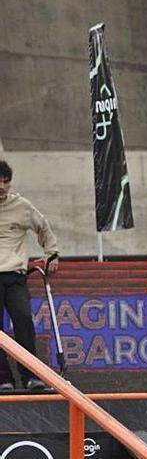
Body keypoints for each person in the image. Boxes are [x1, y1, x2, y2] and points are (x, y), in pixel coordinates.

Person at [0, 159, 59, 391]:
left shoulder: (21, 206)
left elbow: (43, 227)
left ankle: (29, 377)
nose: (2, 187)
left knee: (24, 323)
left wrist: (51, 254)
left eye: (6, 182)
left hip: (15, 276)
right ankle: (3, 379)